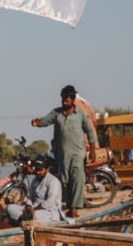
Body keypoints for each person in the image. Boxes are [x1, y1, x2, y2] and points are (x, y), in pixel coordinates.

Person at [32, 85, 97, 218]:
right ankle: (68, 205)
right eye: (63, 99)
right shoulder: (56, 113)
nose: (64, 102)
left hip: (78, 153)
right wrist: (38, 122)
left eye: (67, 100)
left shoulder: (81, 114)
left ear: (73, 100)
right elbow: (46, 120)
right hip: (62, 154)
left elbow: (90, 131)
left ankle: (74, 208)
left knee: (77, 179)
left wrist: (92, 150)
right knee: (64, 180)